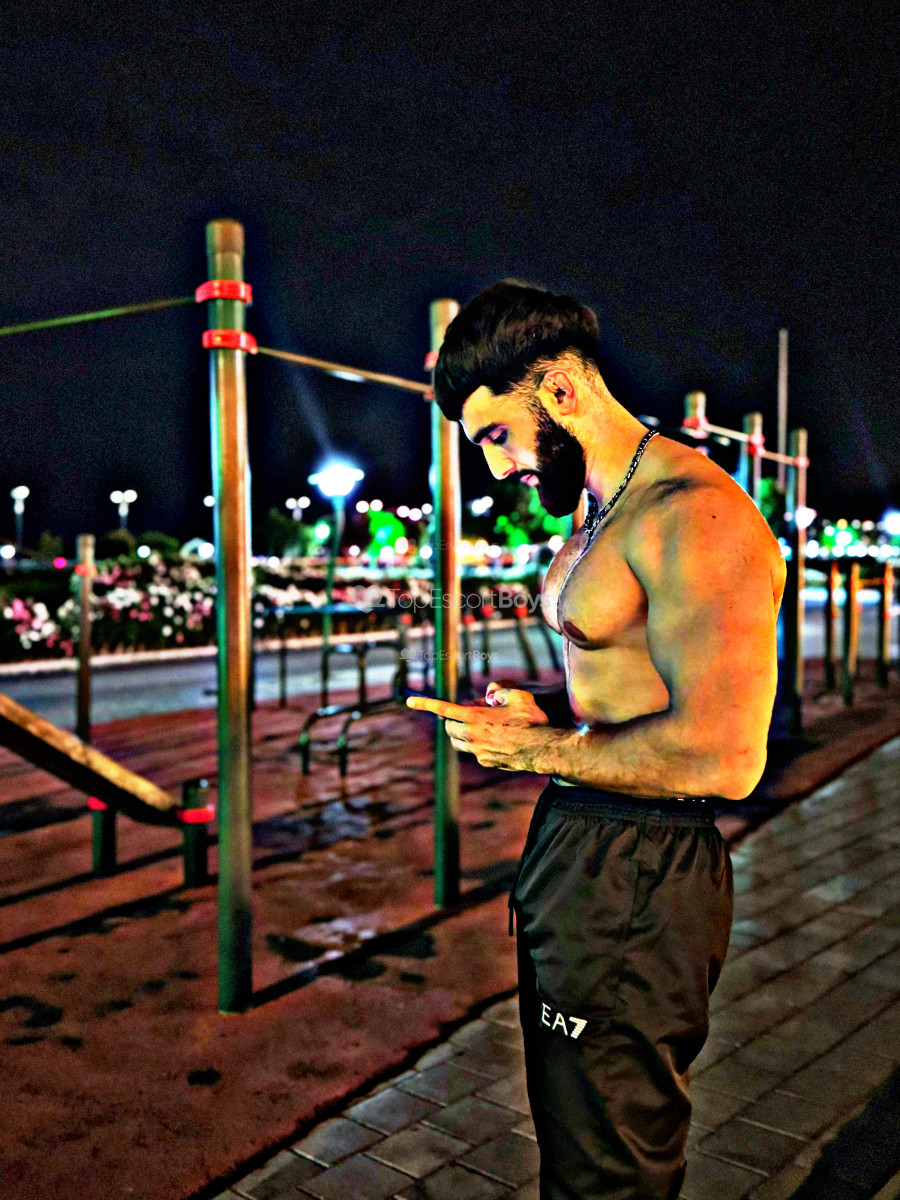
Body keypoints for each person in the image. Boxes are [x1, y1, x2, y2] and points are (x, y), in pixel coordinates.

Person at [408, 279, 786, 1199]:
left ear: (560, 390)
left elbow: (727, 755)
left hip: (644, 868)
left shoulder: (693, 513)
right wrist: (545, 714)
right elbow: (635, 685)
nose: (496, 468)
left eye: (497, 435)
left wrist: (538, 754)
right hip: (586, 846)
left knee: (610, 1161)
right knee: (575, 1131)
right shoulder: (602, 506)